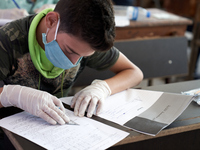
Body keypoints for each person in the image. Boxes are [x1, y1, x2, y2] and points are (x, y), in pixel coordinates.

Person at [0, 0, 143, 125]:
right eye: (69, 51)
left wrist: (102, 88)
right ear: (51, 21)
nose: (74, 62)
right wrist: (11, 95)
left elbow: (134, 73)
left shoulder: (85, 41)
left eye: (83, 56)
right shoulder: (6, 40)